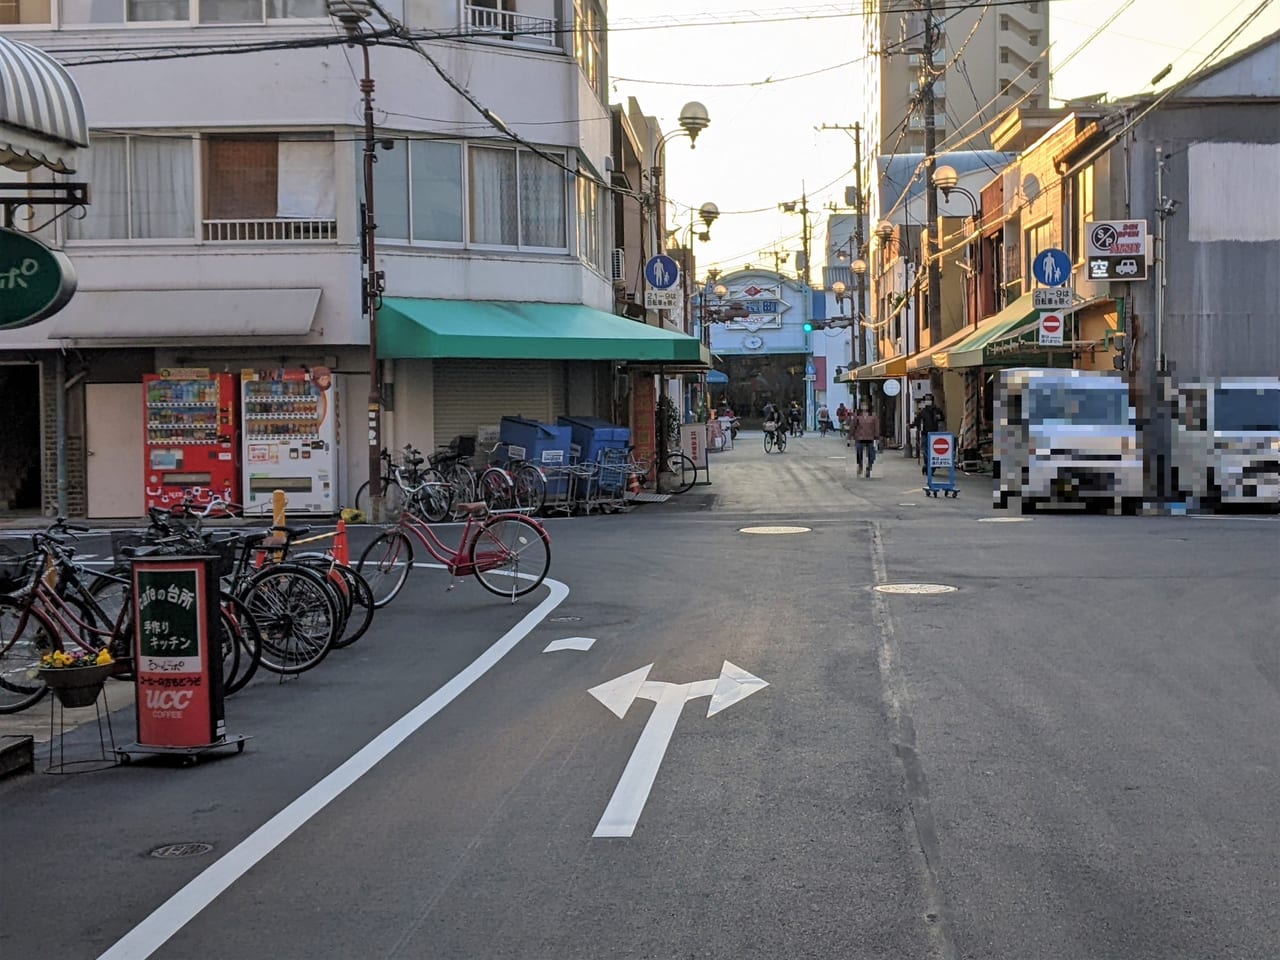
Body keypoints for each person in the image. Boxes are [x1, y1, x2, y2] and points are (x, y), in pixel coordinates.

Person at [913, 394, 946, 478]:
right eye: (927, 399)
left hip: (934, 434)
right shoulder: (923, 411)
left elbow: (942, 419)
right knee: (926, 451)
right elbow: (917, 421)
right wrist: (912, 426)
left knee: (931, 451)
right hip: (927, 434)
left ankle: (930, 466)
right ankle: (928, 466)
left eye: (929, 399)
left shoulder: (936, 410)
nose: (928, 401)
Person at [850, 399, 880, 477]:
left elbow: (876, 426)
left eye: (865, 405)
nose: (864, 407)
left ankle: (869, 468)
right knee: (859, 452)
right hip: (859, 437)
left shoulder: (873, 415)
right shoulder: (857, 415)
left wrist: (877, 436)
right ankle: (860, 465)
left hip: (870, 437)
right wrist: (851, 435)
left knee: (871, 454)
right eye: (862, 405)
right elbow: (853, 426)